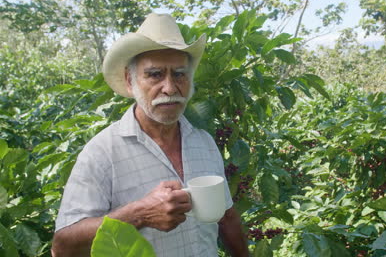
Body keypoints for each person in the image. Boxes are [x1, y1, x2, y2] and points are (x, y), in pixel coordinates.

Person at [52, 13, 249, 257]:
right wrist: (139, 214)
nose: (169, 87)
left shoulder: (204, 142)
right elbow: (62, 246)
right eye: (155, 74)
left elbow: (226, 216)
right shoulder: (101, 152)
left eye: (179, 74)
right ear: (129, 81)